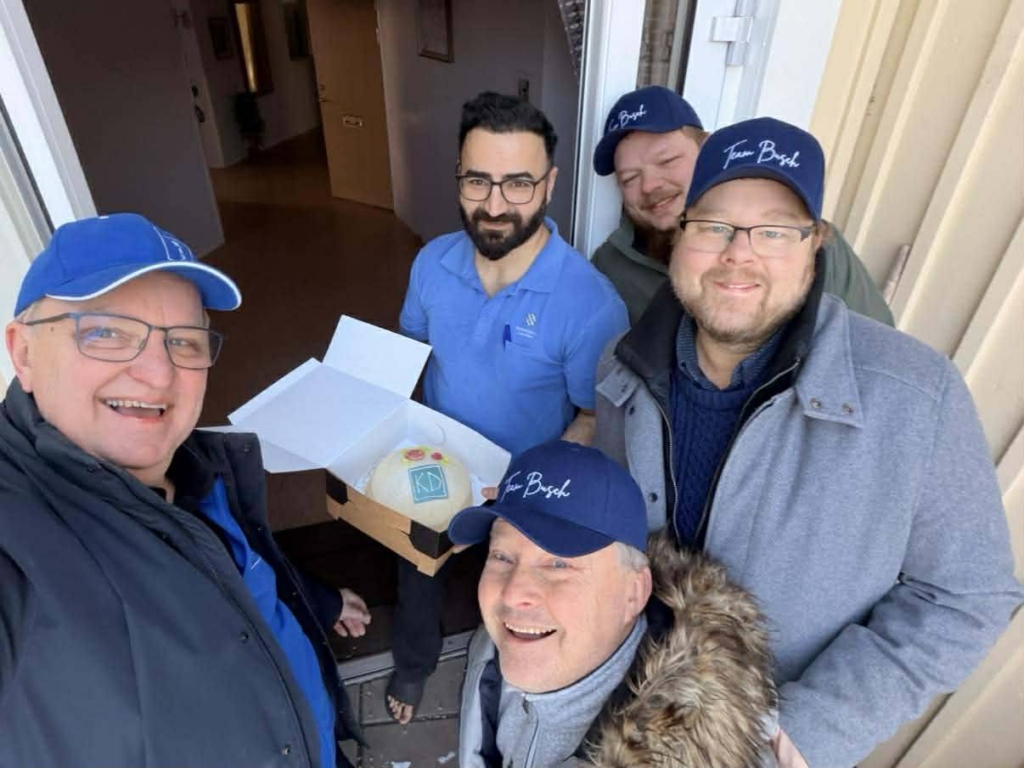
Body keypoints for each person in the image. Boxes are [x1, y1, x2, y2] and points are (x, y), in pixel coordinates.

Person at [593, 117, 1022, 767]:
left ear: (815, 243)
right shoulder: (620, 367)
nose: (739, 253)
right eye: (714, 225)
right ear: (680, 234)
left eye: (773, 230)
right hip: (620, 724)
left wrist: (813, 729)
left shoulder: (916, 395)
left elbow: (966, 596)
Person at [0, 213, 372, 767]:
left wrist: (320, 601)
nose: (158, 374)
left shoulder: (200, 470)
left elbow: (234, 577)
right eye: (106, 332)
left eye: (184, 341)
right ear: (24, 352)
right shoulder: (17, 537)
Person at [389, 92, 629, 724]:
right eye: (478, 181)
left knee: (518, 595)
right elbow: (411, 354)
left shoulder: (590, 305)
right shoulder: (430, 262)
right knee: (415, 566)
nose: (494, 205)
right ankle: (413, 665)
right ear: (457, 178)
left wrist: (527, 486)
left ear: (549, 184)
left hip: (526, 490)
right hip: (436, 464)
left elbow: (593, 417)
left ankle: (512, 688)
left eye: (518, 183)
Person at [450, 440, 778, 768]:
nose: (511, 593)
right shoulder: (498, 650)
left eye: (558, 564)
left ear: (633, 593)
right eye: (502, 556)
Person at [590, 84, 894, 327]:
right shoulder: (611, 267)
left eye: (667, 160)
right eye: (630, 178)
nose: (649, 185)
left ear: (706, 151)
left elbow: (874, 348)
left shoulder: (807, 246)